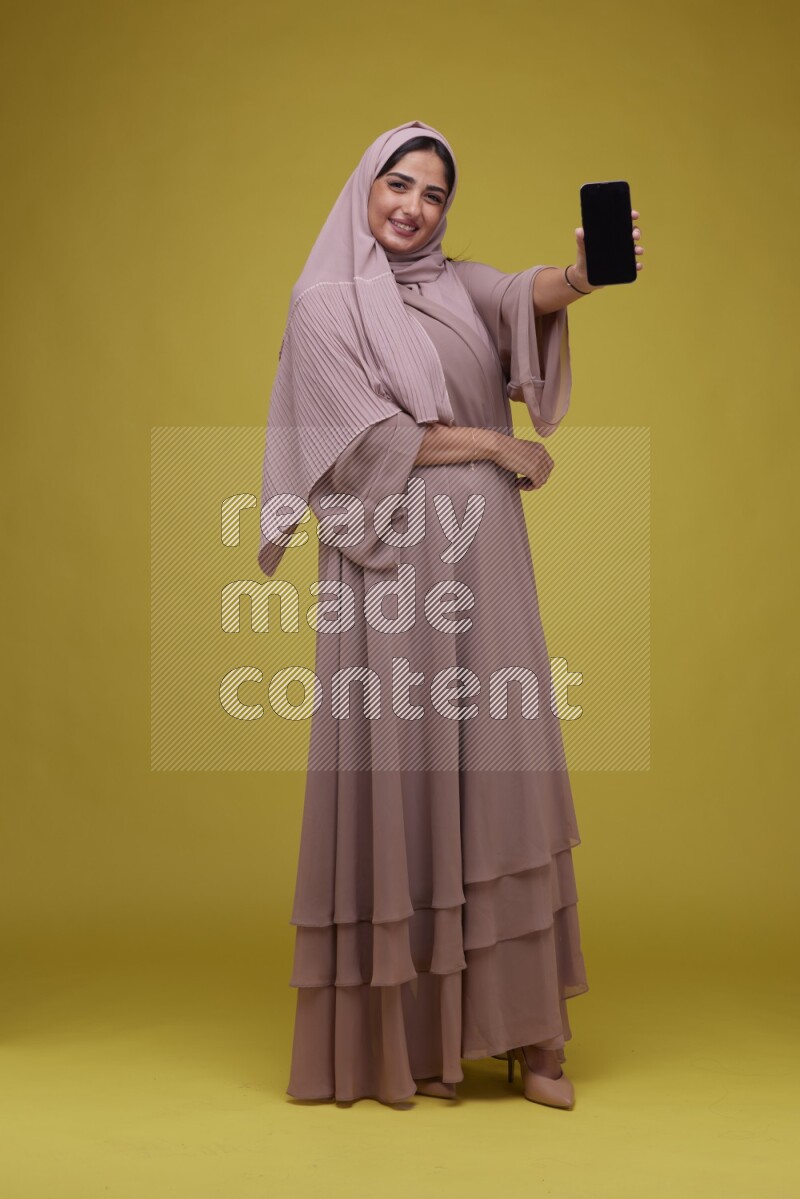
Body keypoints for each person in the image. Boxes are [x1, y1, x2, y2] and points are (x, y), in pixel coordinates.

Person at [256, 119, 644, 1108]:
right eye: (398, 184)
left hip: (486, 563)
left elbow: (524, 295)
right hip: (383, 569)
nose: (413, 208)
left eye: (432, 194)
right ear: (365, 187)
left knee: (502, 767)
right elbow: (360, 443)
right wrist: (496, 447)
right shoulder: (322, 304)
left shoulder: (451, 282)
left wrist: (584, 272)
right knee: (402, 770)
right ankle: (401, 1041)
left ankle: (529, 1034)